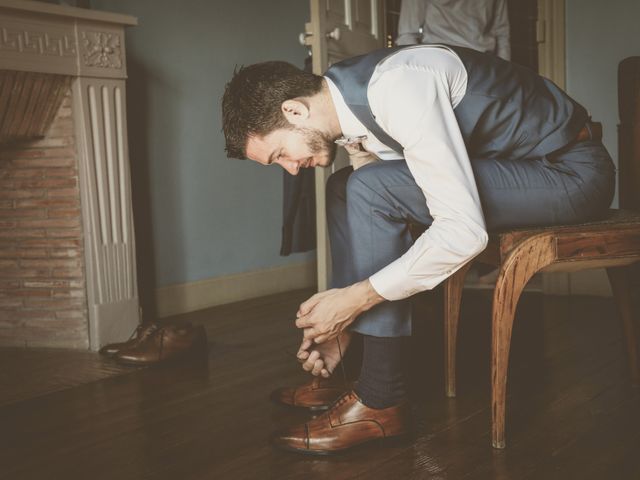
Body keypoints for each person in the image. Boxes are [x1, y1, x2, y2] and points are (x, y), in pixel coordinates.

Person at [221, 44, 615, 455]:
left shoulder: (399, 86)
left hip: (570, 172)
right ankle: (358, 363)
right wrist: (341, 326)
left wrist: (355, 300)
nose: (290, 167)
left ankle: (381, 399)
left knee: (369, 189)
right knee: (343, 188)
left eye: (281, 153)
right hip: (523, 170)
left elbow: (461, 232)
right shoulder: (344, 100)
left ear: (294, 111)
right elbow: (376, 206)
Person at [396, 0, 511, 61]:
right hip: (438, 60)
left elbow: (502, 33)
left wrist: (505, 76)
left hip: (482, 64)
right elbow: (408, 35)